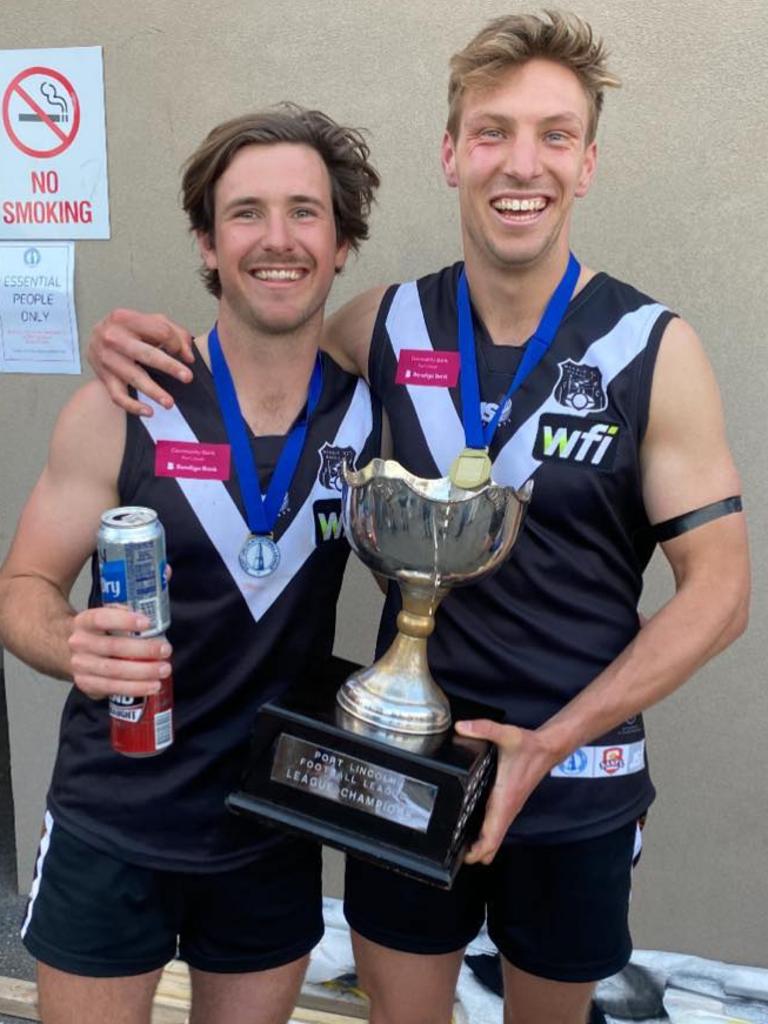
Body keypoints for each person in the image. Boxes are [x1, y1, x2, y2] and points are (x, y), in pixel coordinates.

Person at [85, 11, 750, 1024]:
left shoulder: (653, 347)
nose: (519, 163)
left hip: (574, 777)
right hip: (404, 764)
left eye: (553, 135)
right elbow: (257, 348)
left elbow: (723, 590)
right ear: (451, 153)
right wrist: (141, 342)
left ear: (588, 163)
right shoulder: (386, 326)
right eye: (492, 132)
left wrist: (552, 737)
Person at [0, 105, 381, 1024]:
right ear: (207, 245)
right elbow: (21, 590)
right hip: (112, 821)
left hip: (271, 824)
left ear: (341, 244)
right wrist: (69, 644)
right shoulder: (122, 404)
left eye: (306, 211)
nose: (277, 239)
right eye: (245, 213)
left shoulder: (380, 417)